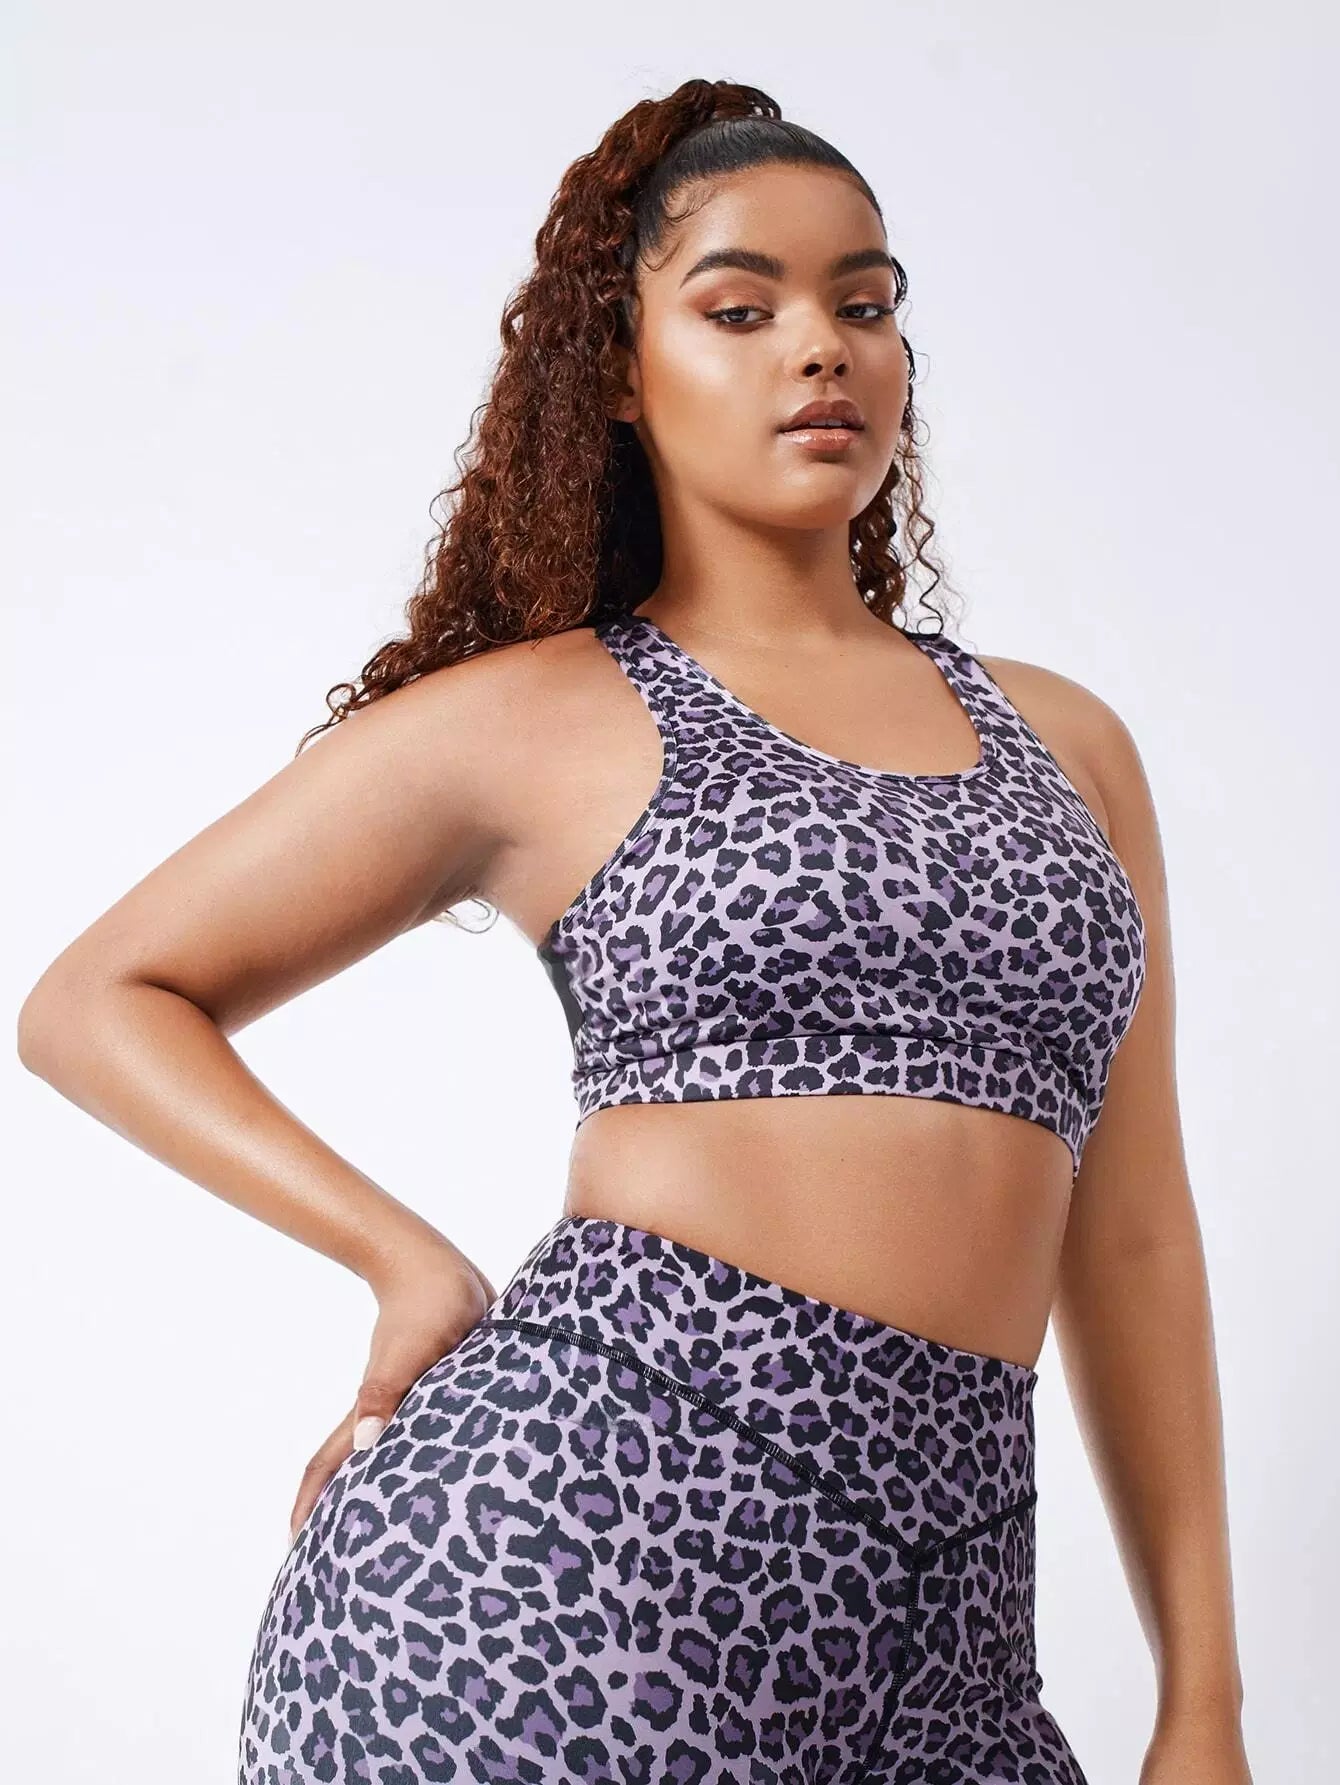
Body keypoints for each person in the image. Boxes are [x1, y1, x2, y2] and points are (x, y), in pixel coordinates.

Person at [16, 78, 1252, 1785]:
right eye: (741, 309)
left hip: (954, 1626)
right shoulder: (543, 716)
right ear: (620, 367)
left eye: (864, 304)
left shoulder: (1071, 745)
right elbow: (97, 997)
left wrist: (1204, 1698)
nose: (818, 347)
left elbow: (1134, 1237)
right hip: (572, 1579)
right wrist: (405, 1261)